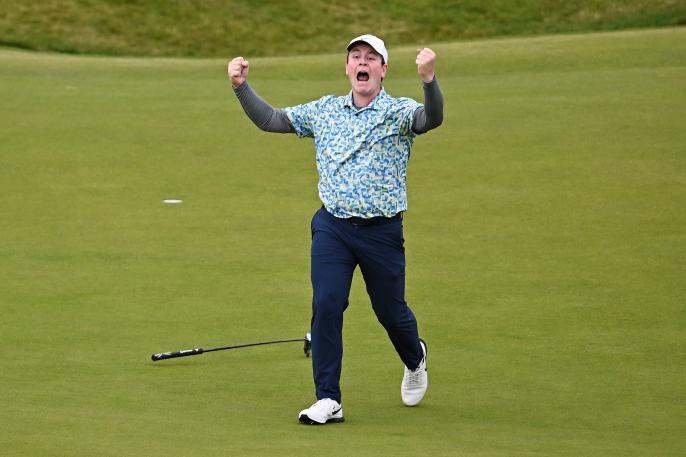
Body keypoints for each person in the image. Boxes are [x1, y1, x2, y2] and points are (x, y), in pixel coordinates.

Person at [227, 34, 443, 425]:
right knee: (326, 303)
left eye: (371, 58)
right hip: (333, 229)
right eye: (355, 57)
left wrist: (429, 81)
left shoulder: (399, 111)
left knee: (390, 312)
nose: (363, 63)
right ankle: (329, 398)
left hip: (381, 232)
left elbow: (432, 118)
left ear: (383, 69)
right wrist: (241, 88)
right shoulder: (326, 110)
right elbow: (272, 119)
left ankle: (415, 358)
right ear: (347, 68)